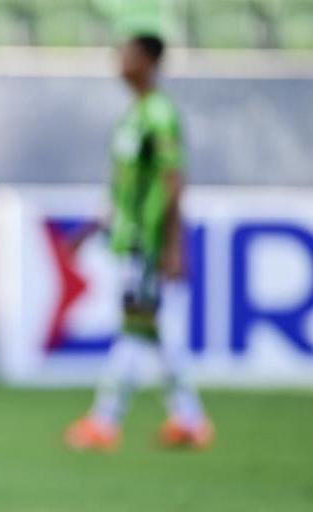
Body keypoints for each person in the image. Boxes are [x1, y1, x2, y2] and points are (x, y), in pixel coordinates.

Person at [64, 33, 213, 451]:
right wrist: (89, 229)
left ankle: (105, 421)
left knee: (135, 328)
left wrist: (172, 246)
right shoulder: (132, 116)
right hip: (128, 241)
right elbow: (123, 186)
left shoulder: (160, 115)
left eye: (127, 55)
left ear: (148, 61)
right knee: (153, 331)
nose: (119, 61)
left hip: (147, 244)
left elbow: (172, 180)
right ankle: (189, 419)